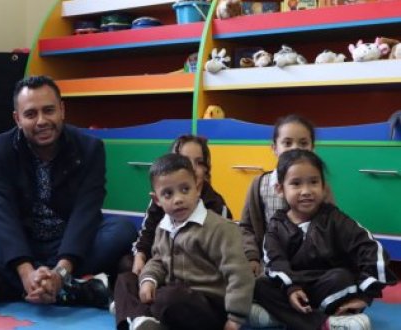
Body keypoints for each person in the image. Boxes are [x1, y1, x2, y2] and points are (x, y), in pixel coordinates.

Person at [0, 75, 138, 307]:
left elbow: (86, 211)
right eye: (31, 114)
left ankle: (13, 285)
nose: (42, 121)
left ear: (62, 110)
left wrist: (61, 271)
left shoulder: (90, 148)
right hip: (21, 241)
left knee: (122, 229)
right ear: (17, 119)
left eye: (49, 110)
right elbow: (2, 212)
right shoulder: (0, 148)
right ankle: (74, 289)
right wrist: (26, 271)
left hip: (69, 241)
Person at [254, 149, 397, 330]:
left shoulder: (336, 219)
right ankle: (326, 323)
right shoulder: (276, 225)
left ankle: (283, 317)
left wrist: (366, 296)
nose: (306, 191)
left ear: (323, 187)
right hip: (292, 290)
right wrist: (291, 289)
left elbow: (371, 249)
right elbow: (275, 261)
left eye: (313, 182)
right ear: (280, 189)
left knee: (342, 277)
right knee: (260, 286)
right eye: (296, 183)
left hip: (329, 289)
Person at [114, 153, 253, 330]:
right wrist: (148, 280)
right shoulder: (163, 227)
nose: (178, 199)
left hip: (207, 306)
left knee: (169, 298)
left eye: (185, 189)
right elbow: (158, 260)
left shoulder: (220, 228)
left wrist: (235, 318)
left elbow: (240, 274)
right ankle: (142, 319)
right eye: (168, 194)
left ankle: (137, 313)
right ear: (157, 200)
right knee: (125, 279)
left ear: (197, 188)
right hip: (172, 298)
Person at [240, 115, 334, 277]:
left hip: (312, 265)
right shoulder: (259, 184)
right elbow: (246, 227)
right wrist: (252, 257)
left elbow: (332, 226)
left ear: (312, 147)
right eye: (287, 143)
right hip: (270, 264)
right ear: (274, 148)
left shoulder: (320, 187)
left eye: (303, 143)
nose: (295, 148)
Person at [130, 134, 232, 275]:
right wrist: (140, 257)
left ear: (206, 169)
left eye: (199, 162)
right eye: (184, 161)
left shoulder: (216, 205)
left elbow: (224, 258)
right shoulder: (161, 199)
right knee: (126, 266)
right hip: (160, 264)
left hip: (197, 274)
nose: (193, 168)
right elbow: (147, 236)